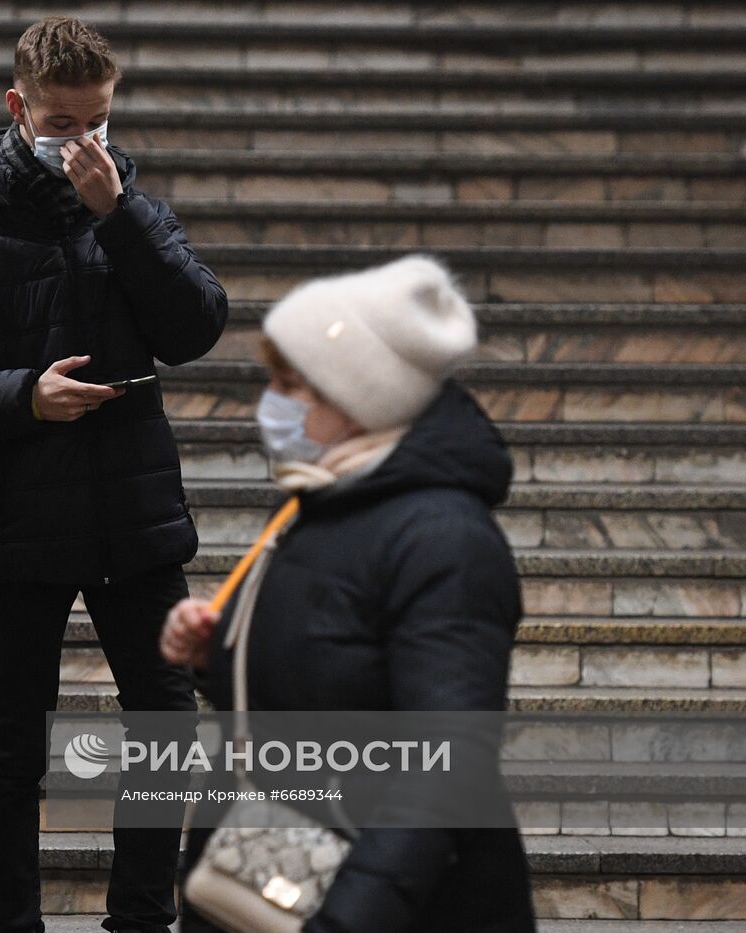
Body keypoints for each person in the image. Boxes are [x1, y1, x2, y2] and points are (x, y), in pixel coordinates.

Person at [0, 16, 228, 933]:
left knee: (164, 718)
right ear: (16, 107)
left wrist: (124, 217)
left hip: (132, 510)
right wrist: (23, 396)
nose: (82, 141)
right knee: (16, 738)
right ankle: (9, 922)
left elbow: (195, 327)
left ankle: (141, 916)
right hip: (19, 516)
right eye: (61, 122)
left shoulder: (131, 210)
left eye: (98, 120)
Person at [160, 255, 537, 932]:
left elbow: (444, 766)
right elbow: (326, 682)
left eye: (291, 385)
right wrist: (214, 656)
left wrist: (347, 919)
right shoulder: (326, 500)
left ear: (362, 394)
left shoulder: (444, 540)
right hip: (283, 877)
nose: (270, 404)